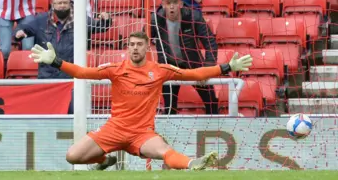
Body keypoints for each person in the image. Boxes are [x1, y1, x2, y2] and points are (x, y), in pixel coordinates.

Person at [30, 31, 254, 170]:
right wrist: (56, 62)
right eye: (131, 44)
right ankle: (105, 161)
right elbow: (81, 72)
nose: (134, 48)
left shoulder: (160, 70)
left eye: (139, 44)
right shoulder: (115, 70)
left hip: (142, 133)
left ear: (147, 47)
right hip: (114, 129)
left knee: (164, 151)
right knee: (72, 156)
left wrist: (227, 67)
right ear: (127, 47)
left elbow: (194, 74)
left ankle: (192, 164)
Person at [152, 0, 219, 115]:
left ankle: (214, 129)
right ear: (163, 4)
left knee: (212, 102)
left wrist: (208, 67)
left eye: (175, 3)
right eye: (168, 3)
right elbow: (143, 40)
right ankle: (169, 133)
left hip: (194, 65)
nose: (172, 7)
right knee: (169, 108)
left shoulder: (194, 16)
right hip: (169, 67)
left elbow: (210, 42)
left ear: (181, 4)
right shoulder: (155, 20)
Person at [15, 0, 111, 79]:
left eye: (65, 3)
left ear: (70, 4)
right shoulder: (41, 20)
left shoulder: (81, 19)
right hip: (46, 77)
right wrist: (19, 32)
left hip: (71, 76)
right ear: (53, 5)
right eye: (59, 3)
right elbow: (24, 27)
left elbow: (100, 26)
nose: (62, 5)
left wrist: (106, 20)